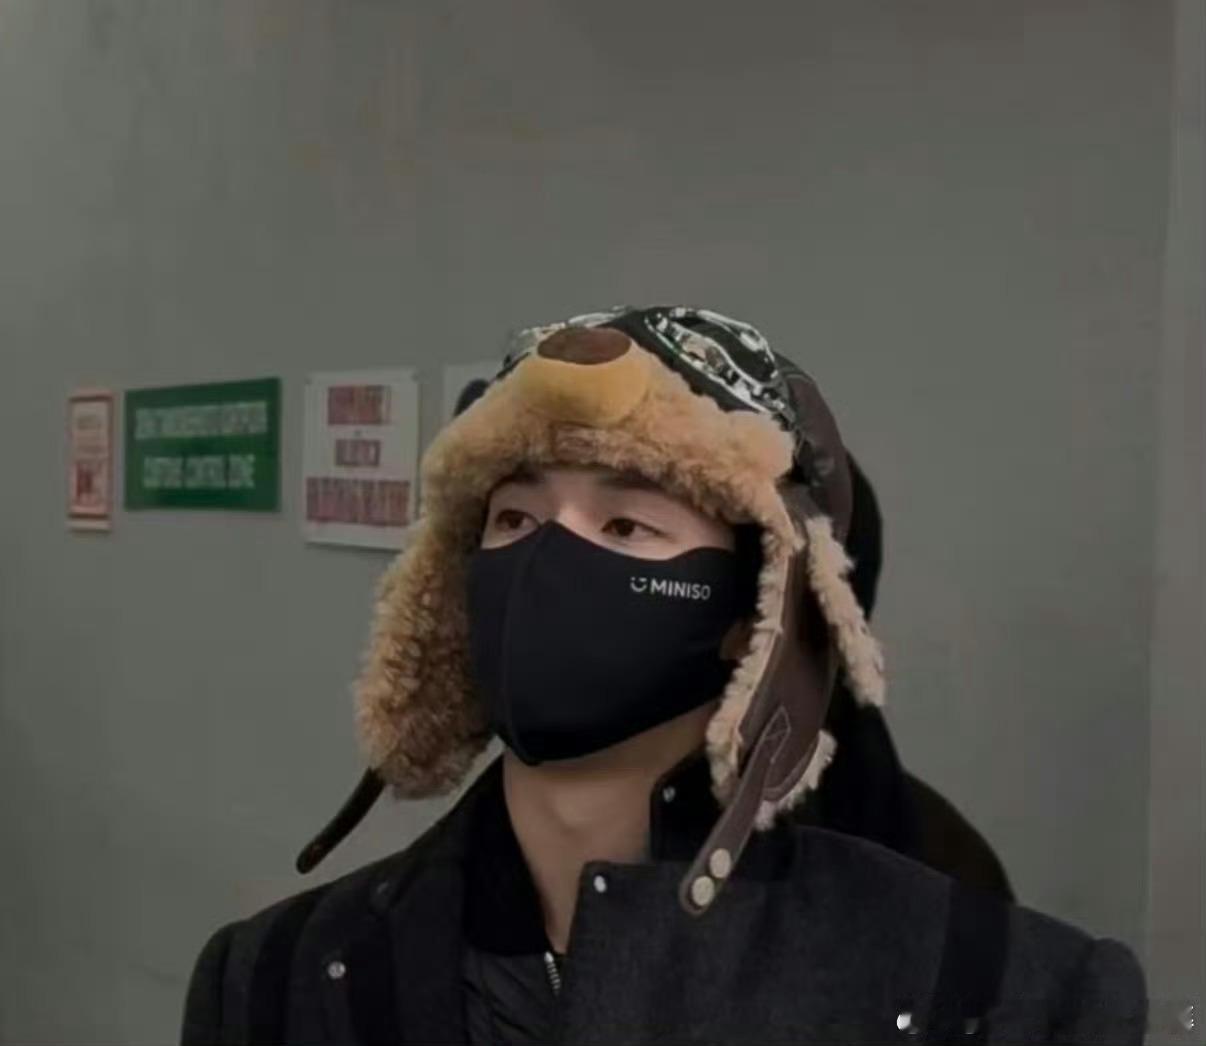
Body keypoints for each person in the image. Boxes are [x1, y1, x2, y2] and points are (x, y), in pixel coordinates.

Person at [182, 306, 1144, 1045]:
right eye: (513, 519)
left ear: (754, 612)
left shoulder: (1001, 994)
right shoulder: (271, 982)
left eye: (627, 524)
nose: (546, 560)